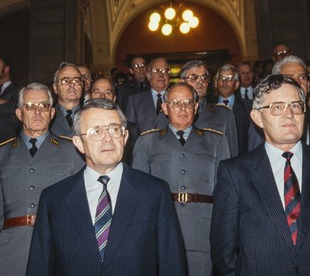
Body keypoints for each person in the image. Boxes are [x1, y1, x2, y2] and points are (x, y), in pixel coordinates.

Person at [211, 75, 310, 275]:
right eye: (277, 107)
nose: (289, 114)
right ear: (257, 118)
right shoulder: (235, 174)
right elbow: (224, 254)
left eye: (296, 106)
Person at [26, 99, 186, 275]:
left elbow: (172, 266)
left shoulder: (154, 192)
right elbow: (39, 267)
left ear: (124, 137)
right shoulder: (54, 199)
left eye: (114, 129)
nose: (108, 138)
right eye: (96, 132)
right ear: (79, 143)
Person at [133, 83, 231, 276]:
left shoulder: (217, 141)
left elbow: (226, 194)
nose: (183, 108)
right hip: (161, 229)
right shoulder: (146, 142)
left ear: (196, 107)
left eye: (188, 102)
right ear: (164, 108)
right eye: (176, 103)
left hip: (202, 231)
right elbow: (138, 196)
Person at [0, 83, 85, 275]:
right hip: (13, 248)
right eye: (30, 106)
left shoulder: (71, 151)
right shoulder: (0, 154)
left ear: (52, 113)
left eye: (44, 106)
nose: (38, 112)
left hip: (58, 244)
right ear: (18, 113)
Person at [248, 55, 310, 153]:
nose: (298, 83)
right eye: (289, 78)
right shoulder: (263, 123)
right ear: (275, 84)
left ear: (308, 85)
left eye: (302, 77)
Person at [155, 60, 239, 157]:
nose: (201, 82)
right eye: (194, 78)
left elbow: (233, 154)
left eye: (204, 78)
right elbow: (159, 151)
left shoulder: (223, 114)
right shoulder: (168, 113)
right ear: (182, 82)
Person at [89, 77, 140, 164]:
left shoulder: (130, 129)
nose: (102, 97)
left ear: (114, 98)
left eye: (107, 93)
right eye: (97, 92)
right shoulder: (82, 126)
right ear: (90, 96)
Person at [125, 57, 170, 132]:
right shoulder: (134, 101)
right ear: (148, 75)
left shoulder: (177, 99)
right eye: (156, 70)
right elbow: (130, 132)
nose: (161, 74)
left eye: (165, 71)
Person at [50, 62, 84, 136]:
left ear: (82, 86)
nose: (72, 84)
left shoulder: (90, 114)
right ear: (55, 87)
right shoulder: (47, 115)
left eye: (76, 81)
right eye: (65, 81)